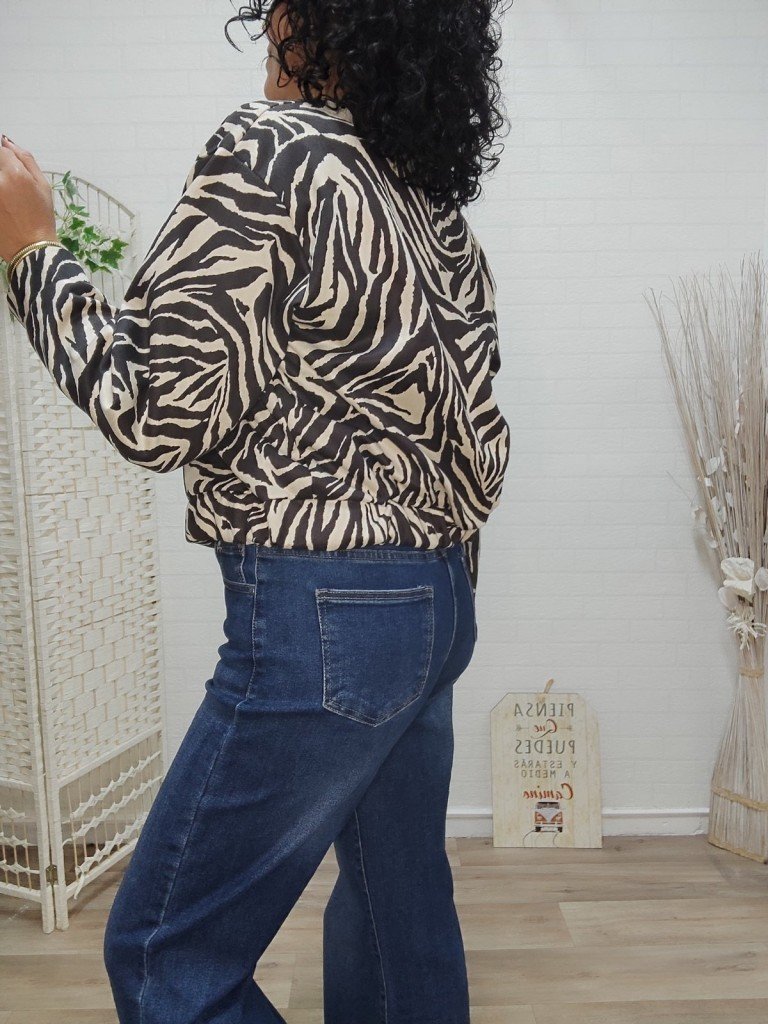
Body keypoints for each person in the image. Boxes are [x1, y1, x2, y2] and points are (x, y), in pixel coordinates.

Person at [0, 1, 511, 1020]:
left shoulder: (269, 151)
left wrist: (32, 252)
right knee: (399, 912)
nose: (268, 20)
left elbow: (153, 411)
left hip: (329, 611)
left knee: (162, 955)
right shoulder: (425, 201)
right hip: (437, 596)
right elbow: (478, 434)